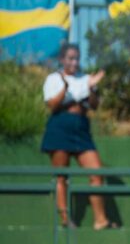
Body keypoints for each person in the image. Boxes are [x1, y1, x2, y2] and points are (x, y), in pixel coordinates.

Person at [42, 43, 115, 229]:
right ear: (62, 59)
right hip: (60, 127)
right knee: (61, 176)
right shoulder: (53, 79)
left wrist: (92, 88)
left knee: (97, 173)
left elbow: (94, 105)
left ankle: (101, 220)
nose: (74, 62)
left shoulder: (86, 78)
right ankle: (65, 219)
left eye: (77, 58)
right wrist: (65, 88)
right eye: (70, 58)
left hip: (81, 129)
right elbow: (53, 106)